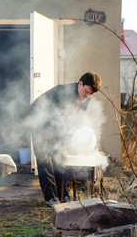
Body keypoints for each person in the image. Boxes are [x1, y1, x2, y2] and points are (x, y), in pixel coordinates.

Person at [28, 72, 101, 206]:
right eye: (85, 91)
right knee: (45, 159)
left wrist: (75, 129)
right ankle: (51, 197)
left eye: (90, 94)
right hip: (39, 122)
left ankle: (64, 195)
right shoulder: (63, 93)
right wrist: (65, 130)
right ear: (80, 84)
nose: (87, 96)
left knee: (60, 158)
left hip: (58, 125)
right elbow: (54, 117)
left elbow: (77, 117)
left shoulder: (87, 97)